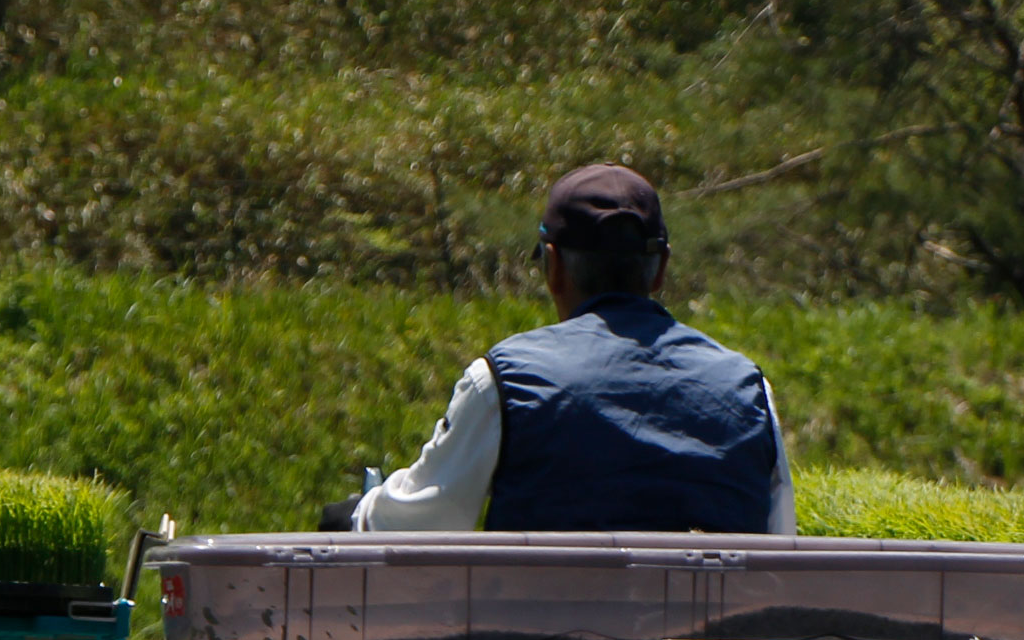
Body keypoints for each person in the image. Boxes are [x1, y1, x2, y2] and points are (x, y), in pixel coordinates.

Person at [340, 164, 794, 533]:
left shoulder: (504, 381)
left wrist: (359, 512)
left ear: (553, 266)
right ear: (660, 271)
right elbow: (781, 542)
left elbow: (421, 524)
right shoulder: (749, 389)